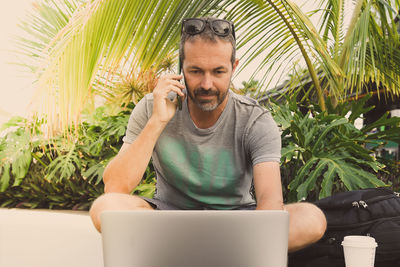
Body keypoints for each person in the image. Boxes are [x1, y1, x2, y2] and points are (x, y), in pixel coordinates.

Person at [89, 17, 326, 252]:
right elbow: (115, 187)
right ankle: (218, 252)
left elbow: (270, 205)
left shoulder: (255, 120)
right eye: (195, 71)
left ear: (234, 67)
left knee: (311, 218)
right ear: (181, 67)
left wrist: (256, 231)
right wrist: (157, 122)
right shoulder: (153, 108)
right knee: (105, 207)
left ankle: (187, 251)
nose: (207, 84)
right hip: (169, 218)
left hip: (237, 222)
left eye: (218, 71)